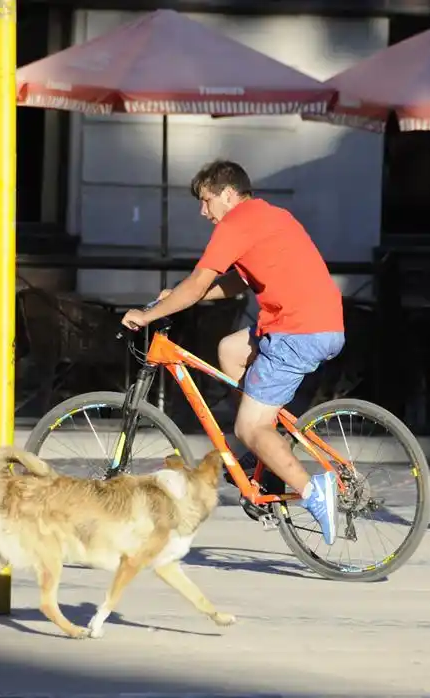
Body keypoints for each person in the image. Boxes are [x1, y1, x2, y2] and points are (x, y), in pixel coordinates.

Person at [121, 159, 344, 545]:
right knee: (230, 350)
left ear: (227, 194)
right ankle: (263, 459)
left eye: (206, 200)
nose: (202, 211)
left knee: (248, 428)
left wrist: (148, 314)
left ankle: (313, 492)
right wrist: (177, 296)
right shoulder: (268, 216)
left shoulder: (236, 224)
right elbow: (236, 284)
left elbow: (198, 284)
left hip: (298, 331)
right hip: (315, 323)